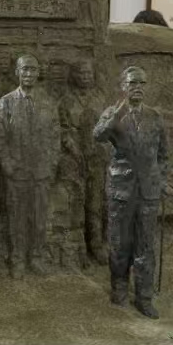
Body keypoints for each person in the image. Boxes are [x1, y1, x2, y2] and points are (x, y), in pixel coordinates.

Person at [92, 65, 170, 319]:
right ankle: (119, 290)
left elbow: (163, 155)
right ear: (123, 86)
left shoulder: (155, 117)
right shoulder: (113, 112)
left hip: (148, 191)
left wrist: (162, 180)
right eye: (132, 83)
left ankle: (144, 297)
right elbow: (98, 136)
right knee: (119, 243)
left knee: (145, 246)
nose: (137, 87)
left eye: (141, 83)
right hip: (121, 191)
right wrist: (112, 120)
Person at [0, 54, 61, 278]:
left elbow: (55, 137)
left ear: (38, 73)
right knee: (17, 219)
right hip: (17, 174)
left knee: (39, 219)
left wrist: (51, 165)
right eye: (25, 69)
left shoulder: (48, 103)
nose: (29, 73)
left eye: (33, 69)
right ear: (17, 72)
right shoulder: (6, 102)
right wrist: (8, 167)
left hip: (41, 173)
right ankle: (18, 259)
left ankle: (36, 257)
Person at [59, 59, 110, 265]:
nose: (85, 77)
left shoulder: (100, 98)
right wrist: (72, 147)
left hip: (98, 158)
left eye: (88, 73)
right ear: (74, 76)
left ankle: (96, 244)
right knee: (76, 203)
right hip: (75, 159)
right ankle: (78, 247)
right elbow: (63, 129)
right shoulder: (66, 101)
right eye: (81, 73)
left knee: (97, 203)